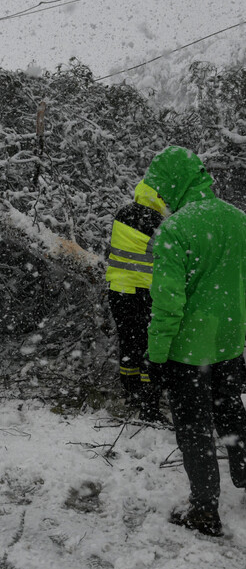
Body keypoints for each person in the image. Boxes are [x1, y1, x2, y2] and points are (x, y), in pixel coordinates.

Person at [144, 145, 246, 537]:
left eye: (162, 188)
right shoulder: (239, 219)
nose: (162, 198)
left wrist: (156, 354)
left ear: (174, 183)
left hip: (188, 349)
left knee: (193, 426)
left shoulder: (175, 229)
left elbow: (167, 303)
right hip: (229, 341)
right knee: (231, 411)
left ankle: (204, 511)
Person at [105, 180, 168, 424]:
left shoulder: (123, 213)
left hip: (118, 290)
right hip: (144, 292)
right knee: (149, 347)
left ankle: (131, 394)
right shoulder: (158, 223)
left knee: (128, 343)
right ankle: (149, 407)